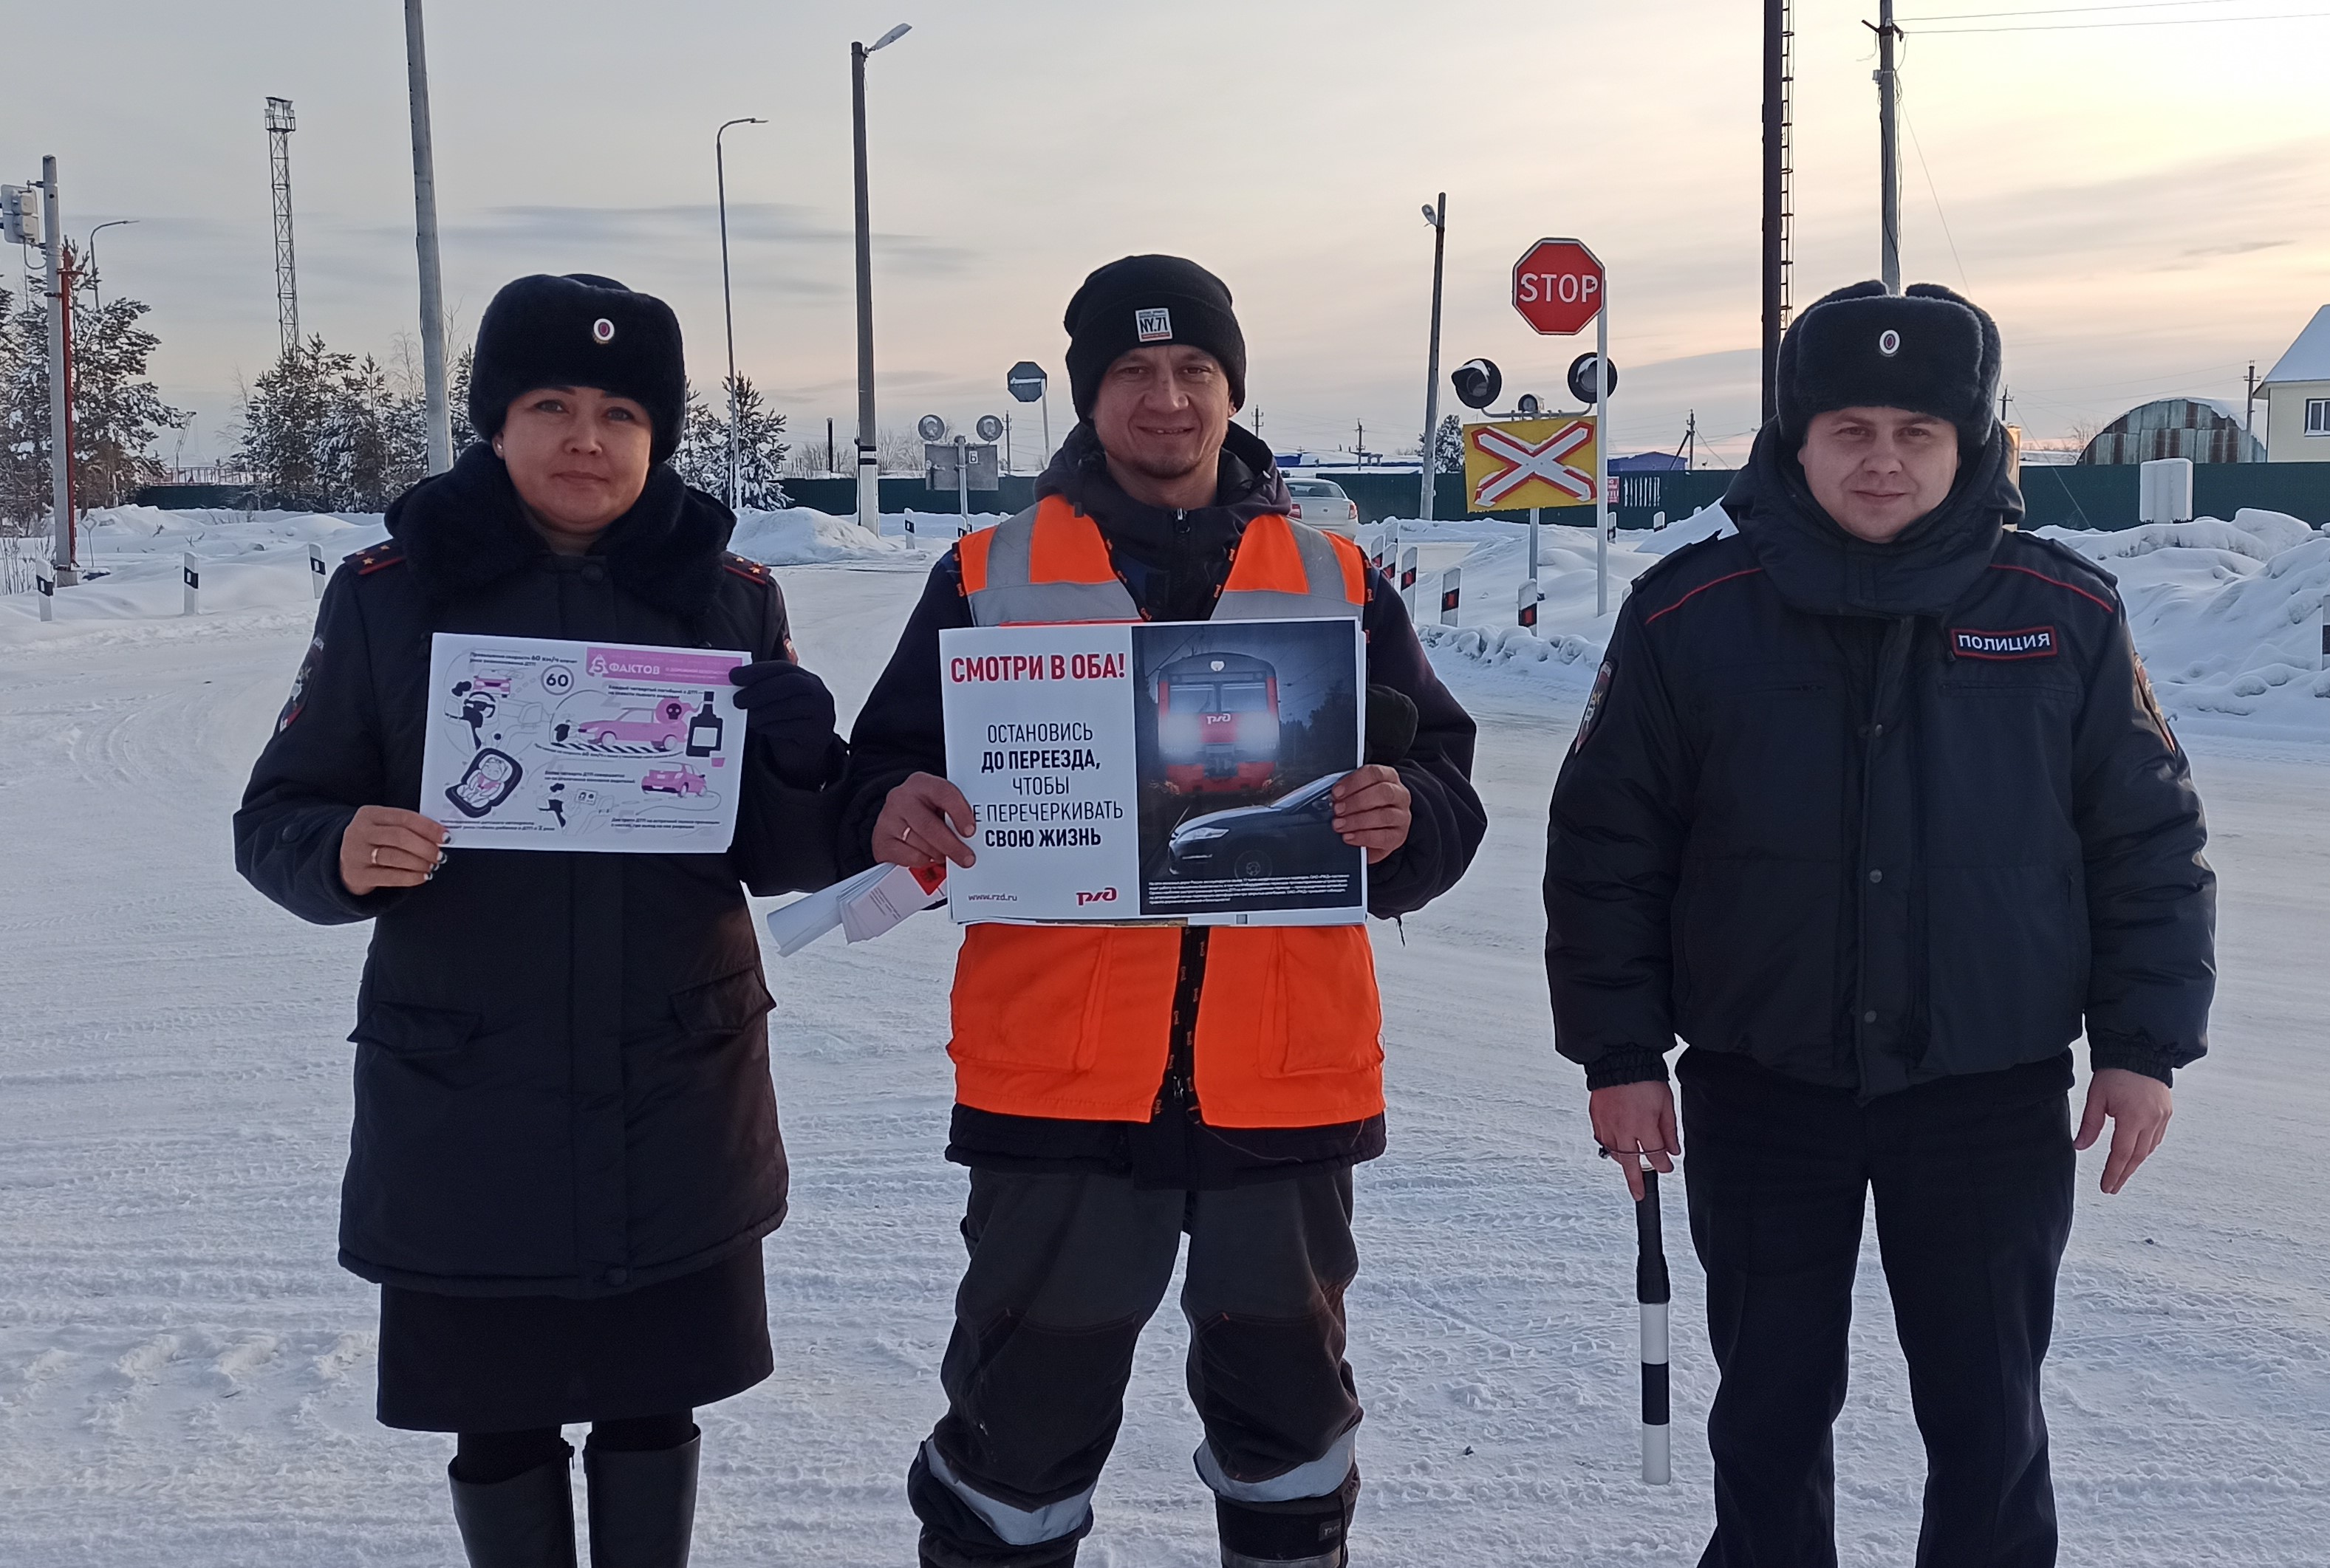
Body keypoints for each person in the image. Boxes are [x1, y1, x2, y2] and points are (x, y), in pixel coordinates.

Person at [1545, 281, 2216, 1568]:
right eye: (1848, 427)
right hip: (1761, 1088)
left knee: (1987, 1419)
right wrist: (1619, 1057)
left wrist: (2143, 1046)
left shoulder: (2064, 613)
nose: (1882, 459)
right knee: (1770, 1416)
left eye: (1916, 432)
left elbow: (2146, 844)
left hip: (1983, 1092)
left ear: (1970, 446)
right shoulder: (1689, 615)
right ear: (1791, 440)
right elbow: (1605, 853)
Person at [838, 255, 1488, 1568]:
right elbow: (877, 771)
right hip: (1059, 1084)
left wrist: (1402, 818)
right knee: (1015, 1443)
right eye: (1132, 371)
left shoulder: (1336, 579)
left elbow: (1446, 787)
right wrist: (892, 807)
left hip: (1282, 1082)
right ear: (1089, 398)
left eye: (1193, 368)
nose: (1167, 397)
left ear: (1231, 389)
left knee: (1289, 1436)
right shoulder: (988, 574)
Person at [233, 273, 847, 1568]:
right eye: (551, 404)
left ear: (657, 438)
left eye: (622, 412)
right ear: (493, 423)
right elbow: (274, 817)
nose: (586, 437)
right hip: (470, 1091)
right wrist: (338, 850)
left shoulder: (726, 594)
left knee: (651, 1407)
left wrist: (802, 766)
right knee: (499, 1422)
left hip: (673, 1080)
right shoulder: (391, 592)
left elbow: (783, 853)